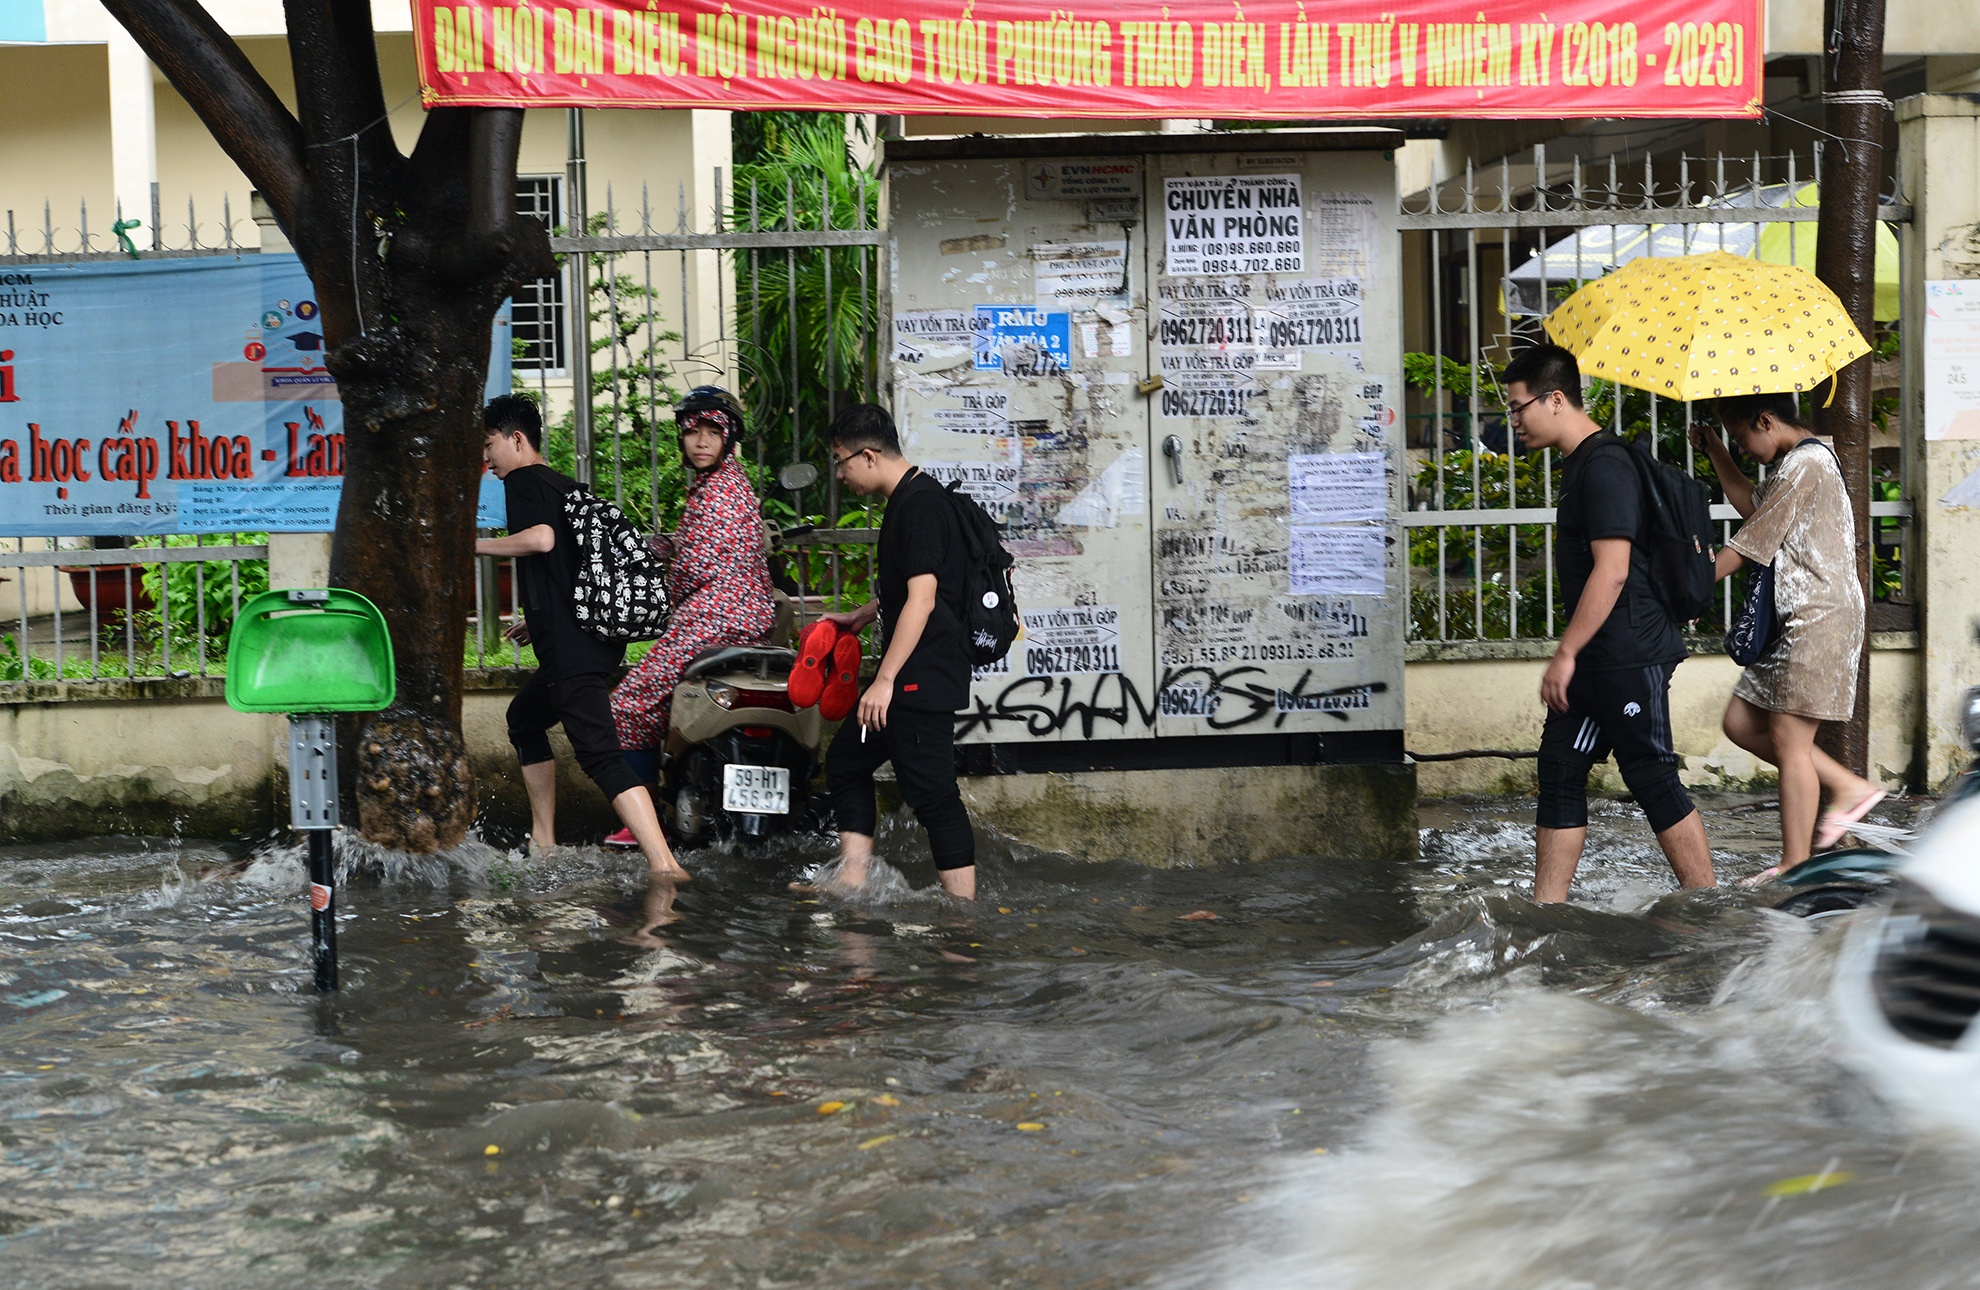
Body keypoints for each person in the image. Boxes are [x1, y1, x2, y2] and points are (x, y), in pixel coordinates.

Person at [1504, 345, 1716, 902]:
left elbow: (1613, 569)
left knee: (1650, 775)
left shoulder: (1605, 466)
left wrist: (1565, 653)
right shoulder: (1582, 464)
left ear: (1555, 400)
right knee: (1560, 768)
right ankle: (1547, 908)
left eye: (1518, 407)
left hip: (1628, 652)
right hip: (1600, 656)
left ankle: (1707, 901)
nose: (1514, 421)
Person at [474, 393, 690, 884]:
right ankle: (544, 840)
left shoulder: (523, 481)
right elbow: (568, 569)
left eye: (489, 445)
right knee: (524, 719)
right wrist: (538, 621)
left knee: (600, 756)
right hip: (586, 642)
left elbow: (542, 540)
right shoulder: (561, 484)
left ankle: (665, 864)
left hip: (572, 653)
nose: (487, 459)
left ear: (516, 440)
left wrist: (474, 544)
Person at [1691, 392, 1883, 881]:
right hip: (1794, 618)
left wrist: (1688, 584)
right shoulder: (1796, 463)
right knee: (1740, 722)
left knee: (1788, 741)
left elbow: (1750, 545)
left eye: (1742, 438)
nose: (1744, 448)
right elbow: (1753, 509)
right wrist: (1718, 450)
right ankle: (1847, 786)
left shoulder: (1806, 464)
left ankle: (1795, 863)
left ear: (1766, 420)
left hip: (1818, 618)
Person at [804, 403, 978, 900]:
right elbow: (917, 586)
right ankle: (853, 878)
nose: (840, 475)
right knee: (846, 761)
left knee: (935, 796)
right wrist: (862, 614)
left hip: (920, 677)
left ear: (868, 456)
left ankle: (964, 913)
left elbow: (923, 600)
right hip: (912, 674)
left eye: (841, 462)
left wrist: (883, 681)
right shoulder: (912, 498)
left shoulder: (920, 506)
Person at [602, 387, 777, 845]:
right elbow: (702, 547)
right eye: (692, 432)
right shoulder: (727, 484)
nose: (700, 442)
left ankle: (643, 825)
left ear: (728, 438)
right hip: (744, 617)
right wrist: (666, 546)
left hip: (714, 619)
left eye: (712, 433)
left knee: (627, 705)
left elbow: (695, 568)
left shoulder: (717, 491)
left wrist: (668, 581)